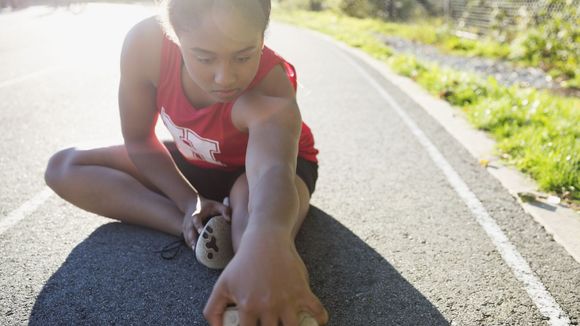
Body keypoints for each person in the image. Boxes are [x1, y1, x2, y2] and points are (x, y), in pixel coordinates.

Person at [43, 0, 329, 325]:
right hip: (194, 159)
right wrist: (188, 201)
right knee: (63, 167)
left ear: (262, 37)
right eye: (204, 58)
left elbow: (270, 172)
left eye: (244, 56)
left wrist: (269, 237)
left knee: (254, 229)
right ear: (174, 36)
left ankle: (255, 258)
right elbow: (138, 141)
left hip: (260, 170)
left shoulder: (270, 86)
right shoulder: (145, 45)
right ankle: (198, 229)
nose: (225, 77)